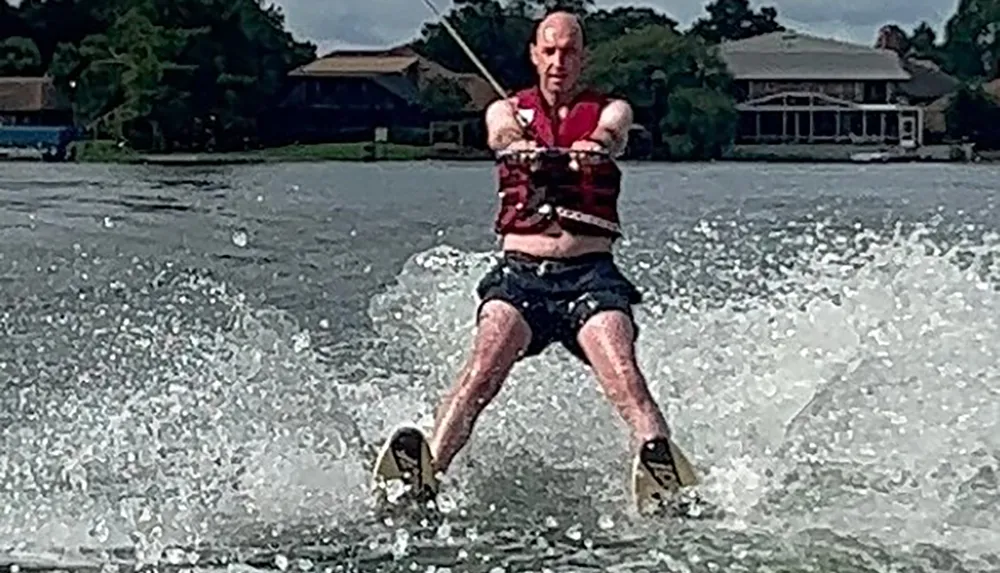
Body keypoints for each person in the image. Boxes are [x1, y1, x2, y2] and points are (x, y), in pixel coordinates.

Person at [426, 11, 680, 488]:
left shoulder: (612, 108)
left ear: (581, 58)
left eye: (569, 51)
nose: (558, 60)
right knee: (482, 371)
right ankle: (430, 469)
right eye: (550, 50)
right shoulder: (506, 109)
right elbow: (498, 134)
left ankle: (661, 470)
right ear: (534, 55)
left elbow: (615, 131)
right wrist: (517, 145)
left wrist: (596, 144)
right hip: (520, 276)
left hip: (590, 277)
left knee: (625, 377)